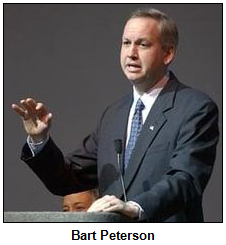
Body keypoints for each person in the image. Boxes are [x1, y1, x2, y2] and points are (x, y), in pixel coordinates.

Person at [12, 8, 219, 222]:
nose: (131, 53)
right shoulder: (114, 115)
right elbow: (67, 178)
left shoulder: (195, 108)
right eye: (126, 43)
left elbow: (186, 178)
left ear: (168, 53)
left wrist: (136, 207)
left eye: (143, 44)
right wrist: (39, 140)